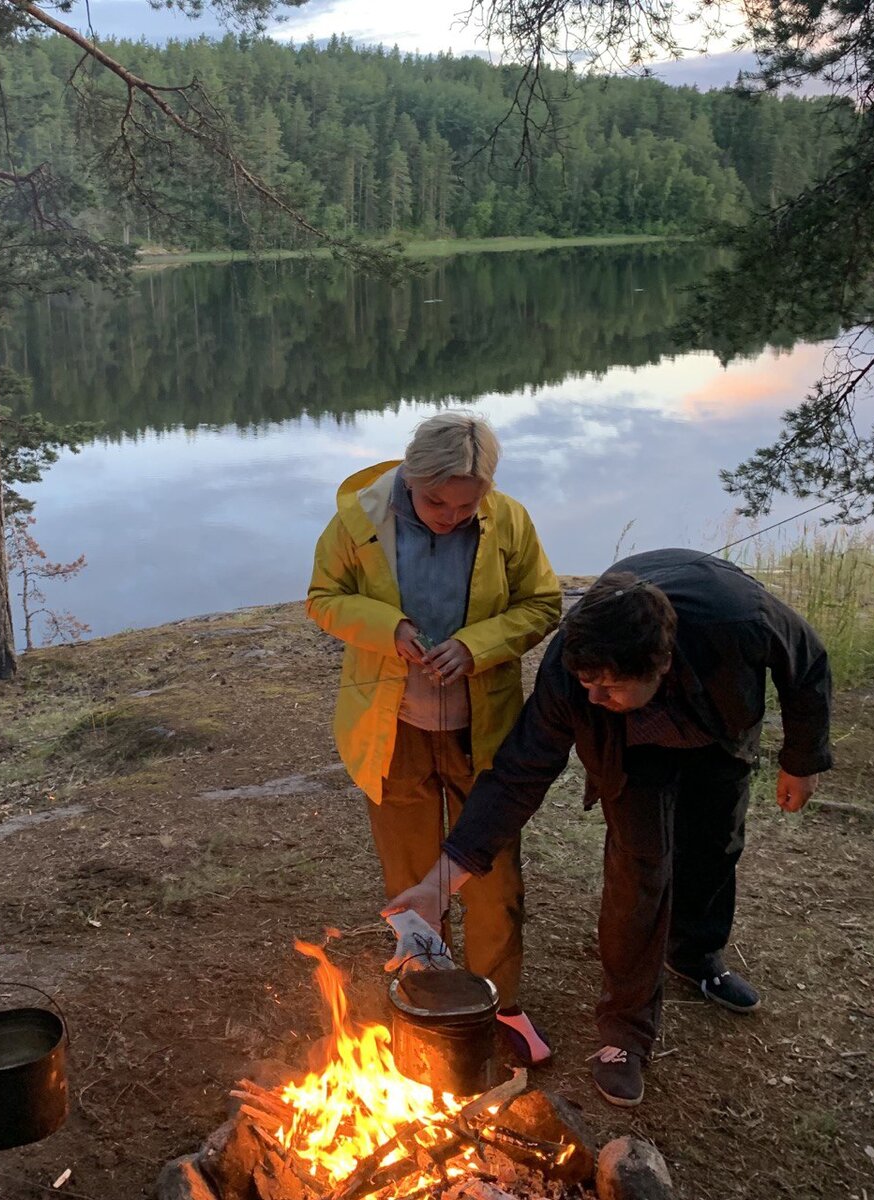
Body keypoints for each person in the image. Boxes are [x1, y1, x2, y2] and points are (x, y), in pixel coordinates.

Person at [384, 548, 832, 1107]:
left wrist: (801, 758)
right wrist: (440, 881)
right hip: (634, 755)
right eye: (585, 685)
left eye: (609, 689)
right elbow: (519, 775)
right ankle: (625, 1034)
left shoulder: (737, 619)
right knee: (639, 872)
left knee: (716, 845)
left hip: (717, 728)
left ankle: (696, 956)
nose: (591, 700)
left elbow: (807, 662)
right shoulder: (574, 671)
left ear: (660, 664)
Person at [306, 410, 562, 1065]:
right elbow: (323, 599)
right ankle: (429, 1001)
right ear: (410, 480)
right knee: (413, 879)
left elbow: (542, 606)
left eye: (466, 504)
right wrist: (387, 627)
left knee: (493, 876)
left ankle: (499, 1007)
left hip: (484, 732)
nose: (451, 516)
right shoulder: (359, 523)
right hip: (391, 732)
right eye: (436, 502)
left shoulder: (508, 522)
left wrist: (476, 648)